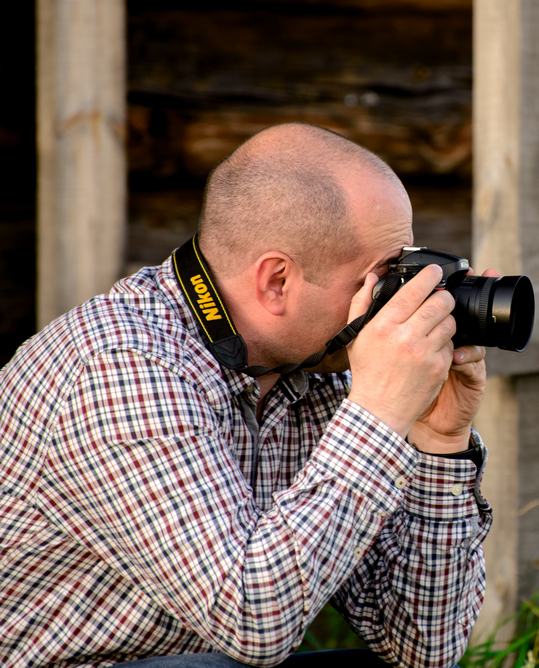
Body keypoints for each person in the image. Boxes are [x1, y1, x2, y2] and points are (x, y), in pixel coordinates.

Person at [0, 123, 494, 667]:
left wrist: (439, 440)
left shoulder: (319, 373)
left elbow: (423, 650)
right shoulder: (121, 364)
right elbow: (251, 620)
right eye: (382, 277)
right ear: (276, 281)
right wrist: (377, 413)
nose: (396, 301)